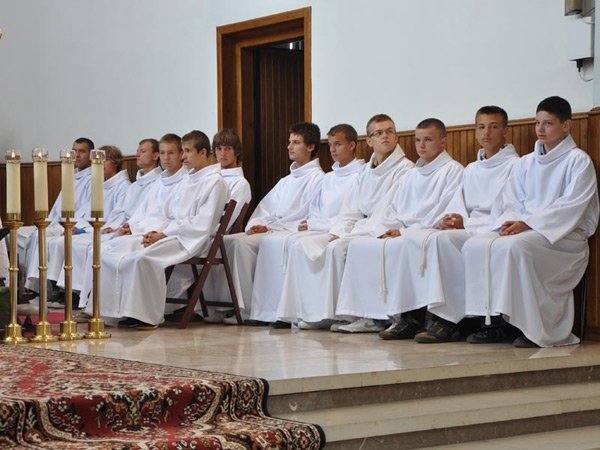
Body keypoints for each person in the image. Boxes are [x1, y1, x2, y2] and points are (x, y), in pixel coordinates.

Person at [461, 96, 598, 348]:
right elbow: (512, 201)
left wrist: (529, 223)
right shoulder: (526, 163)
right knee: (475, 244)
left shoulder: (578, 160)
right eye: (537, 123)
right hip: (527, 228)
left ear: (566, 125)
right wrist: (513, 221)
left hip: (563, 236)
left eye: (548, 123)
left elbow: (572, 206)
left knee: (516, 247)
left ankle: (531, 327)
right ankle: (491, 323)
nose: (540, 129)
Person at [377, 106, 520, 342]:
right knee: (424, 239)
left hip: (492, 227)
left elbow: (508, 206)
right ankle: (413, 315)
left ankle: (447, 320)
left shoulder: (516, 165)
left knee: (439, 241)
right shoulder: (472, 168)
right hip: (470, 227)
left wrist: (468, 223)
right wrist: (454, 220)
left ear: (505, 131)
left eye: (493, 127)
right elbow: (457, 205)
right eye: (481, 127)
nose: (486, 133)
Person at [276, 114, 414, 330]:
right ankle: (316, 312)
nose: (385, 136)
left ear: (396, 137)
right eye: (379, 133)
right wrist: (339, 231)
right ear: (369, 141)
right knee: (304, 245)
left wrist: (357, 232)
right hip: (360, 227)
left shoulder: (405, 169)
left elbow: (390, 210)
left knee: (340, 248)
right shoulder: (366, 172)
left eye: (389, 132)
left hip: (380, 229)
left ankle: (363, 316)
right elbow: (351, 209)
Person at [335, 118, 464, 334]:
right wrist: (391, 228)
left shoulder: (452, 170)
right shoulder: (414, 174)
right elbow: (394, 208)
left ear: (443, 142)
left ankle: (420, 317)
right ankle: (392, 315)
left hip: (429, 230)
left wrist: (404, 230)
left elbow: (445, 211)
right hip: (409, 230)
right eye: (418, 140)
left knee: (404, 243)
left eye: (428, 140)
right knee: (369, 244)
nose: (421, 145)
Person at [90, 131, 228, 329]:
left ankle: (145, 316)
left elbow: (202, 223)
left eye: (187, 151)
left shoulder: (215, 182)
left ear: (203, 152)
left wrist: (163, 234)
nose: (183, 156)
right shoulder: (190, 179)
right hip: (174, 234)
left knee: (142, 259)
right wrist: (157, 233)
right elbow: (171, 214)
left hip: (191, 240)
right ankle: (114, 312)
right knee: (114, 253)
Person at [247, 124, 365, 326]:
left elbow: (353, 212)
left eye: (337, 144)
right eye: (330, 145)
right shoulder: (329, 178)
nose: (332, 149)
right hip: (321, 228)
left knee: (296, 244)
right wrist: (312, 223)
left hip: (341, 230)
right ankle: (284, 312)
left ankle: (314, 314)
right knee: (288, 243)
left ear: (352, 145)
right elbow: (315, 210)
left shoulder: (361, 175)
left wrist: (329, 228)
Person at [222, 122, 325, 322]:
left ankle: (250, 310)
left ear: (311, 147)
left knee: (242, 245)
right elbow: (266, 209)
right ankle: (233, 305)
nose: (289, 147)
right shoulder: (286, 181)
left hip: (290, 231)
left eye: (296, 142)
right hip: (273, 228)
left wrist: (269, 227)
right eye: (289, 142)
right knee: (229, 241)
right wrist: (258, 224)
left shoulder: (319, 179)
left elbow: (309, 217)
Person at [20, 138, 93, 293]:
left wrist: (75, 227)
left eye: (82, 151)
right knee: (34, 233)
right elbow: (57, 208)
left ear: (91, 154)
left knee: (41, 236)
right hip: (58, 223)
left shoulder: (93, 179)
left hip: (72, 224)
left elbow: (88, 210)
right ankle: (34, 286)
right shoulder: (72, 176)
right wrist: (48, 222)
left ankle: (42, 288)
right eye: (74, 151)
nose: (77, 155)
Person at [200, 129, 252, 323]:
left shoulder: (240, 183)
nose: (222, 153)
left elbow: (227, 220)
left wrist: (203, 229)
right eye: (219, 148)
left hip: (215, 234)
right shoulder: (209, 178)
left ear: (236, 151)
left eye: (228, 148)